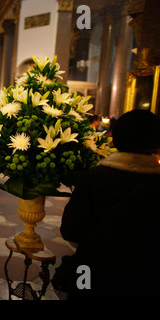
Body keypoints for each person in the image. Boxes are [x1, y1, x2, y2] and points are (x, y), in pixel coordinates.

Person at [52, 109, 160, 300]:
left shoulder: (96, 178)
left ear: (115, 139)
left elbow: (71, 231)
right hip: (144, 279)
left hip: (91, 272)